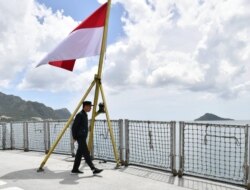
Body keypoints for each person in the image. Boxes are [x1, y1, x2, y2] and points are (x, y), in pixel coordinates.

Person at [71, 101, 103, 174]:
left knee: (79, 154)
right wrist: (74, 137)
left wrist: (88, 128)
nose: (91, 108)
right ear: (85, 106)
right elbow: (74, 127)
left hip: (83, 137)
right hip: (80, 137)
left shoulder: (85, 115)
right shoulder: (80, 115)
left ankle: (75, 169)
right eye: (90, 106)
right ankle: (93, 169)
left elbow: (81, 126)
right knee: (86, 153)